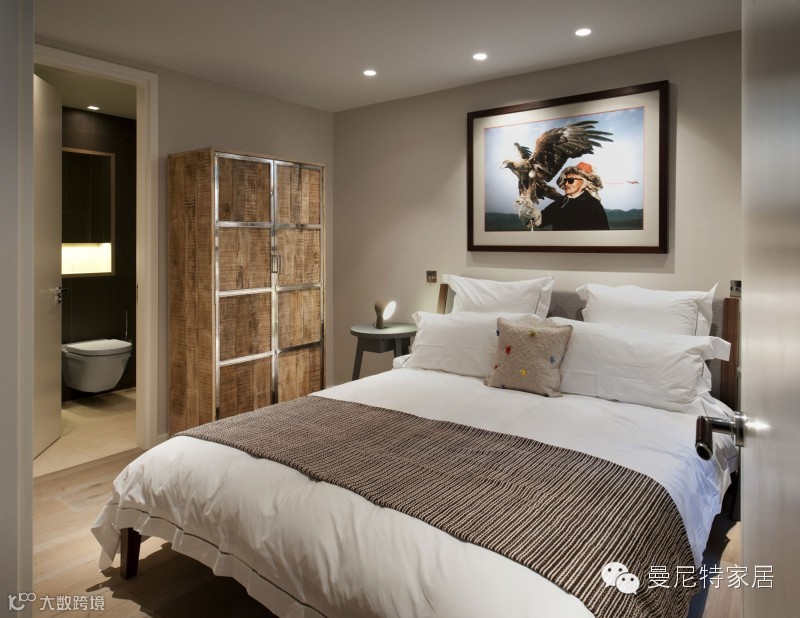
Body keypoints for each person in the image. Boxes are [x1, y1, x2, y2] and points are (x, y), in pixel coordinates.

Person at [538, 162, 610, 231]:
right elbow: (541, 221)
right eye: (565, 180)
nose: (566, 184)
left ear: (584, 184)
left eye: (571, 180)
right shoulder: (560, 203)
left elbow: (603, 233)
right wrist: (532, 213)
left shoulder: (593, 205)